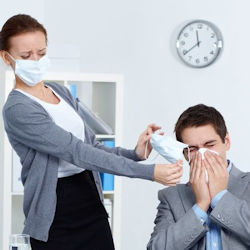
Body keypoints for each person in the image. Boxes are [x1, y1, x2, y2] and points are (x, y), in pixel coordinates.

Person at [0, 14, 183, 250]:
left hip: (88, 195)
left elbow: (92, 147)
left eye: (42, 53)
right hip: (55, 210)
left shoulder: (59, 91)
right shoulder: (18, 108)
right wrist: (148, 172)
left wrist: (134, 154)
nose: (36, 60)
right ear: (6, 57)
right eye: (26, 56)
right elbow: (75, 152)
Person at [147, 104, 250, 250]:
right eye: (193, 149)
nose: (202, 154)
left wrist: (220, 197)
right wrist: (201, 206)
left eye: (210, 145)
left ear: (226, 142)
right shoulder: (171, 197)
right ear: (185, 154)